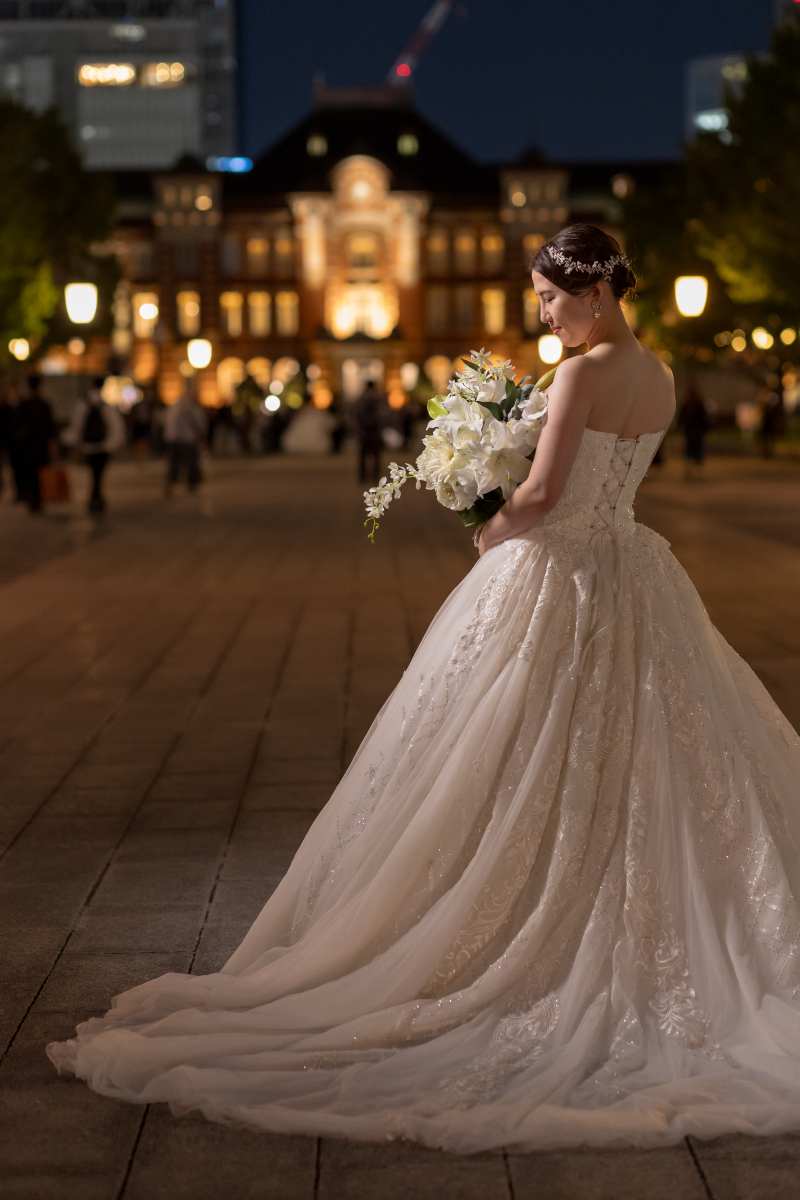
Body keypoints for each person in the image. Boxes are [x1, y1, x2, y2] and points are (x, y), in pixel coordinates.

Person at [49, 226, 800, 1151]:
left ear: (596, 291)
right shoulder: (661, 377)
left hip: (559, 576)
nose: (545, 317)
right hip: (636, 574)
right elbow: (612, 487)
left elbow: (544, 492)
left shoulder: (577, 376)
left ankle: (518, 910)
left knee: (503, 748)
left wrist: (489, 519)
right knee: (657, 743)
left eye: (552, 300)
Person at [62, 376, 126, 513]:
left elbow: (77, 424)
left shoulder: (83, 403)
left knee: (93, 473)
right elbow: (116, 426)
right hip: (103, 446)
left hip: (88, 446)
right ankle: (96, 497)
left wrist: (74, 443)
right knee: (99, 474)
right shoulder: (106, 405)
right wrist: (113, 445)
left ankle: (94, 497)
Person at [11, 375, 55, 513]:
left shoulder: (24, 404)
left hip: (28, 447)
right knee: (36, 473)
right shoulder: (42, 404)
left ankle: (33, 498)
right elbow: (50, 427)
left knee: (30, 473)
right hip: (37, 446)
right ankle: (36, 498)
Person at [163, 379, 207, 494]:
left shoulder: (174, 406)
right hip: (187, 439)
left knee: (174, 463)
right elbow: (199, 422)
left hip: (172, 438)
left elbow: (167, 423)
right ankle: (192, 484)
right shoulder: (190, 407)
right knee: (191, 461)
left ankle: (171, 483)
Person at [353, 379, 388, 482]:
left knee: (364, 455)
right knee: (375, 455)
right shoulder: (379, 399)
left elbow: (357, 414)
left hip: (365, 431)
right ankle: (374, 476)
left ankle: (363, 477)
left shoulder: (362, 399)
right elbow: (383, 414)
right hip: (375, 431)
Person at [678, 385, 709, 480]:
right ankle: (691, 469)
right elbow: (682, 417)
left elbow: (704, 418)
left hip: (697, 430)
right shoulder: (687, 405)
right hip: (691, 430)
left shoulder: (699, 405)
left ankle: (696, 470)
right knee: (691, 449)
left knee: (697, 450)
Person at [759, 388, 785, 458]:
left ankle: (769, 452)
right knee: (765, 439)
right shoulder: (764, 402)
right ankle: (766, 452)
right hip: (765, 424)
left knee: (770, 439)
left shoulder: (772, 400)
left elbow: (773, 412)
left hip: (770, 423)